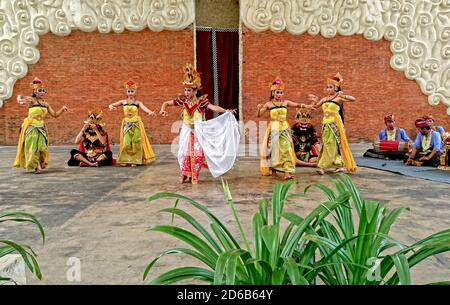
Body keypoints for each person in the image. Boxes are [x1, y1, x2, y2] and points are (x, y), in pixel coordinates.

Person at [159, 64, 239, 184]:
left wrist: (226, 111)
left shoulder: (201, 102)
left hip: (198, 130)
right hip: (186, 129)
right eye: (185, 90)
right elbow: (166, 103)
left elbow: (213, 107)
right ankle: (184, 174)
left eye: (189, 90)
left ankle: (194, 176)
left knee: (196, 154)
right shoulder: (182, 100)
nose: (186, 92)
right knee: (183, 153)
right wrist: (162, 110)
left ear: (195, 90)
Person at [257, 77, 310, 180]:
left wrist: (309, 106)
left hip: (285, 129)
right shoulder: (268, 104)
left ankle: (287, 171)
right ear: (273, 93)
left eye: (281, 92)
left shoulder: (286, 102)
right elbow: (259, 115)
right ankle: (275, 169)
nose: (279, 94)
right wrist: (258, 109)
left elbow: (298, 105)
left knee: (287, 149)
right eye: (277, 92)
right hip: (274, 129)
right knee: (274, 150)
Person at [13, 77, 68, 174]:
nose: (42, 92)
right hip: (31, 127)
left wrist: (62, 109)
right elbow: (21, 101)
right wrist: (20, 98)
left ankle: (41, 161)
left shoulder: (46, 104)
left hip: (41, 127)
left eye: (43, 90)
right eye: (40, 90)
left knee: (42, 147)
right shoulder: (31, 100)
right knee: (33, 147)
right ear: (35, 91)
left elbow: (55, 115)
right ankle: (36, 166)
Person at [309, 72, 357, 175]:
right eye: (327, 87)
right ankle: (339, 163)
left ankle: (322, 166)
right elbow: (314, 107)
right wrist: (314, 101)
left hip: (335, 123)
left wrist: (344, 95)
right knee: (328, 144)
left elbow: (353, 99)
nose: (328, 89)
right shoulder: (324, 99)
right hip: (326, 124)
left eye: (330, 87)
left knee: (332, 144)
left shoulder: (339, 98)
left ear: (335, 88)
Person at [108, 80, 156, 167]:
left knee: (136, 142)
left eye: (132, 91)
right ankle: (127, 159)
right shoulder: (123, 102)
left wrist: (150, 112)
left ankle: (135, 160)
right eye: (129, 91)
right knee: (126, 142)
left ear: (135, 92)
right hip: (126, 124)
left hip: (136, 124)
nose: (130, 93)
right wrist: (111, 107)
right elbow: (111, 105)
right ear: (126, 92)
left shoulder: (138, 103)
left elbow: (144, 108)